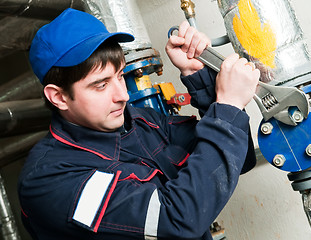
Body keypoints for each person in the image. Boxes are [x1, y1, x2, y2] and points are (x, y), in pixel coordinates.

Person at [18, 8, 260, 240]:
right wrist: (227, 106)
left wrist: (198, 77)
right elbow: (176, 220)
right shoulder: (49, 179)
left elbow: (238, 160)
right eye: (101, 85)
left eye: (120, 76)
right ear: (59, 97)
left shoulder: (143, 122)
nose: (122, 95)